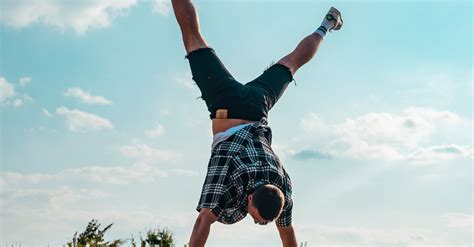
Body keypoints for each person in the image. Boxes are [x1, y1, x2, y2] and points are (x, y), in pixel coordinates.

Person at [171, 1, 343, 246]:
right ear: (250, 197)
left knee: (292, 63)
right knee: (192, 38)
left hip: (257, 106)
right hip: (226, 103)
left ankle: (327, 23)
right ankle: (327, 25)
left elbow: (287, 235)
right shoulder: (229, 175)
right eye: (258, 219)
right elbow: (203, 221)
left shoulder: (282, 186)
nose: (255, 223)